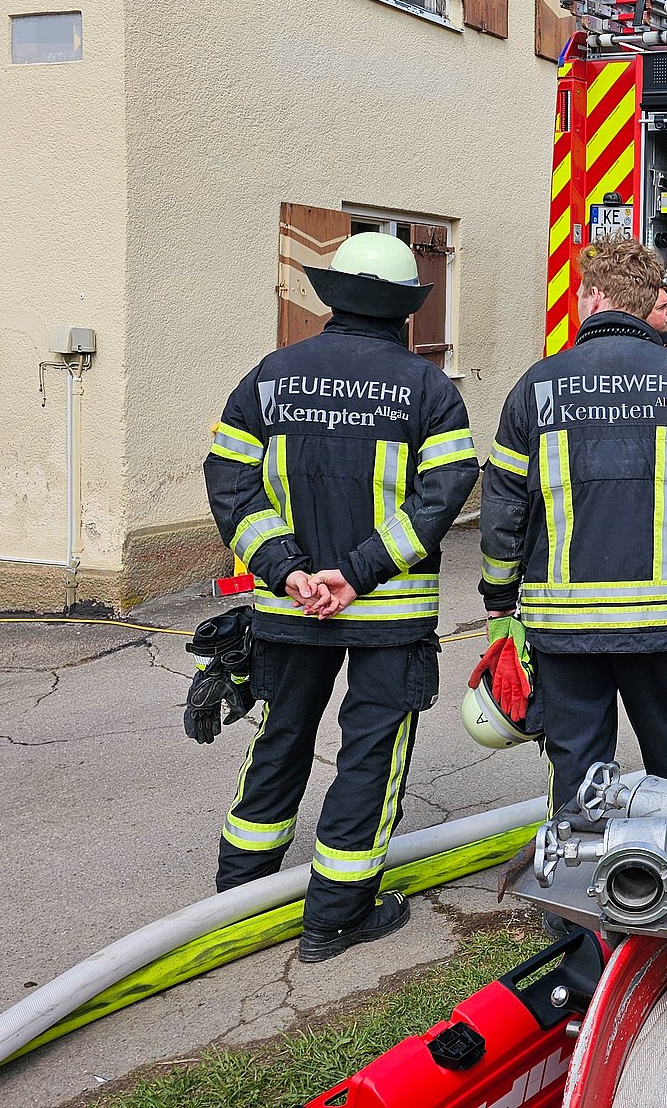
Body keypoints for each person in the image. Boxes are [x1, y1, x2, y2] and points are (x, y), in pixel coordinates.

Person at [203, 232, 478, 961]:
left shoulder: (270, 377)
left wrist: (285, 570)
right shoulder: (428, 389)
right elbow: (442, 493)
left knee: (280, 738)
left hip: (289, 606)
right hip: (387, 615)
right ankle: (336, 917)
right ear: (406, 311)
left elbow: (230, 480)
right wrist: (356, 573)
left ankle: (237, 900)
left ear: (334, 298)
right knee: (370, 756)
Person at [477, 238, 667, 817]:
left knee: (578, 777)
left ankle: (575, 874)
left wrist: (498, 601)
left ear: (593, 298)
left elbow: (503, 508)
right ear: (646, 302)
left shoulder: (537, 386)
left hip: (563, 629)